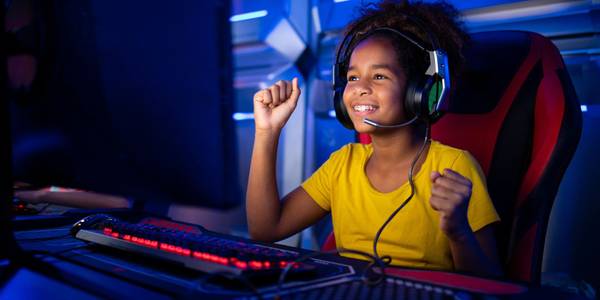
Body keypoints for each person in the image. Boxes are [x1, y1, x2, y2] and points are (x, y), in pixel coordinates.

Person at [246, 0, 502, 277]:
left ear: (421, 91)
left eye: (379, 76)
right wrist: (267, 132)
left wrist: (459, 232)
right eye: (353, 77)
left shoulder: (453, 167)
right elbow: (266, 229)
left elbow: (491, 283)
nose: (360, 89)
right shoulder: (342, 165)